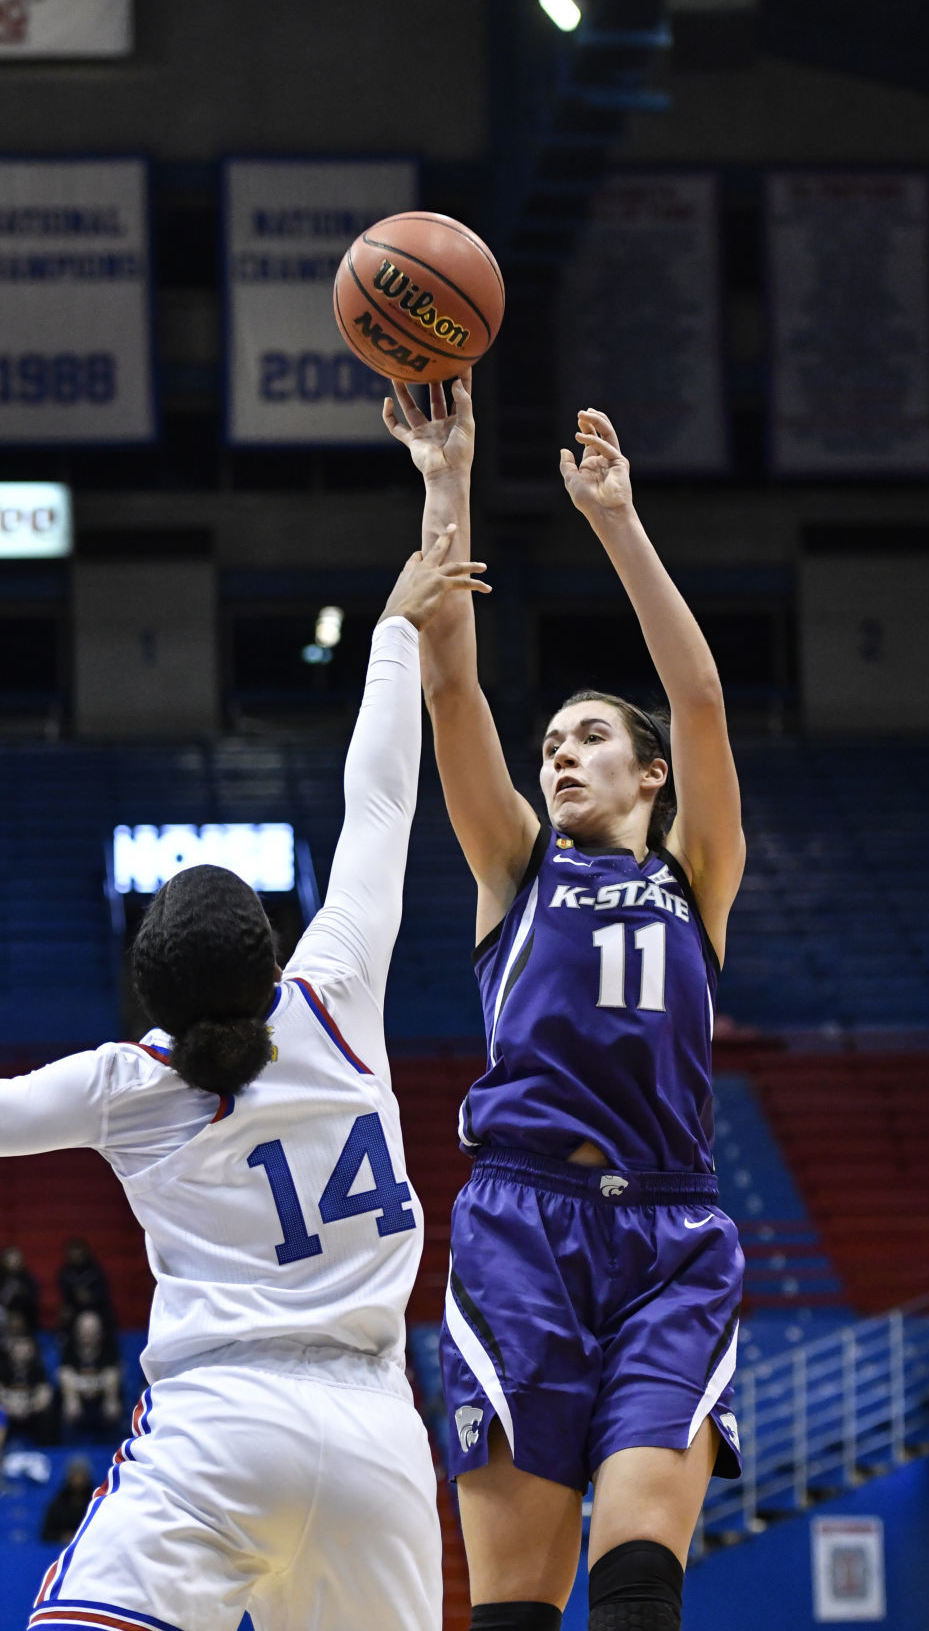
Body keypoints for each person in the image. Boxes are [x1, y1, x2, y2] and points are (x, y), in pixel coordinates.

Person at [1, 528, 489, 1631]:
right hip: (377, 1438)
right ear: (275, 954)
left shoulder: (126, 1081)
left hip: (219, 1422)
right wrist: (391, 633)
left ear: (151, 999)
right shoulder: (334, 994)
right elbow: (379, 805)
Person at [386, 375, 745, 1631]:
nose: (558, 750)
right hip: (520, 1229)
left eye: (587, 735)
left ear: (648, 773)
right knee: (518, 1609)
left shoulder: (694, 873)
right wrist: (446, 479)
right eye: (551, 741)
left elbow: (697, 699)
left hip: (669, 1237)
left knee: (639, 1579)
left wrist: (616, 523)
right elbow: (449, 694)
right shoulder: (515, 868)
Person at [57, 1309, 122, 1440]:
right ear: (77, 1330)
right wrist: (73, 1396)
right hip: (77, 1400)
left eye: (92, 1328)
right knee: (66, 1379)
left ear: (100, 1331)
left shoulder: (108, 1349)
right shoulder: (69, 1348)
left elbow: (113, 1374)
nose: (88, 1332)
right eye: (84, 1328)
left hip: (102, 1399)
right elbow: (64, 1374)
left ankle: (112, 1444)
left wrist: (109, 1397)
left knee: (112, 1379)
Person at [0, 1312, 55, 1445]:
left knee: (48, 1413)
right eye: (19, 1348)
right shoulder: (3, 1368)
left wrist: (28, 1407)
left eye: (26, 1348)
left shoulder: (38, 1369)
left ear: (32, 1350)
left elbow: (44, 1394)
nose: (22, 1351)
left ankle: (47, 1451)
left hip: (30, 1412)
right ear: (12, 1350)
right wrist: (11, 1408)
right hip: (8, 1411)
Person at [56, 1240, 112, 1334]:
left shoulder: (96, 1271)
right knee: (65, 1315)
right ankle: (66, 1341)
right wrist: (75, 1296)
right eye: (73, 1256)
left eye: (79, 1256)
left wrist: (90, 1296)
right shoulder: (65, 1272)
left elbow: (103, 1291)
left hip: (97, 1306)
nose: (76, 1258)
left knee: (105, 1316)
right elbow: (64, 1293)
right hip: (74, 1307)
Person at [40, 1457, 96, 1546]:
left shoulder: (97, 1501)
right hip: (62, 1551)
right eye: (75, 1476)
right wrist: (61, 1537)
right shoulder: (57, 1503)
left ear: (87, 1477)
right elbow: (45, 1534)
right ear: (69, 1478)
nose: (78, 1481)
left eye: (81, 1476)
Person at [0, 1244, 41, 1331]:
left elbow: (34, 1300)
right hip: (5, 1316)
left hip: (25, 1316)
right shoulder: (1, 1278)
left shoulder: (28, 1279)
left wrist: (21, 1295)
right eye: (10, 1259)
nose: (14, 1262)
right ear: (3, 1261)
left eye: (16, 1259)